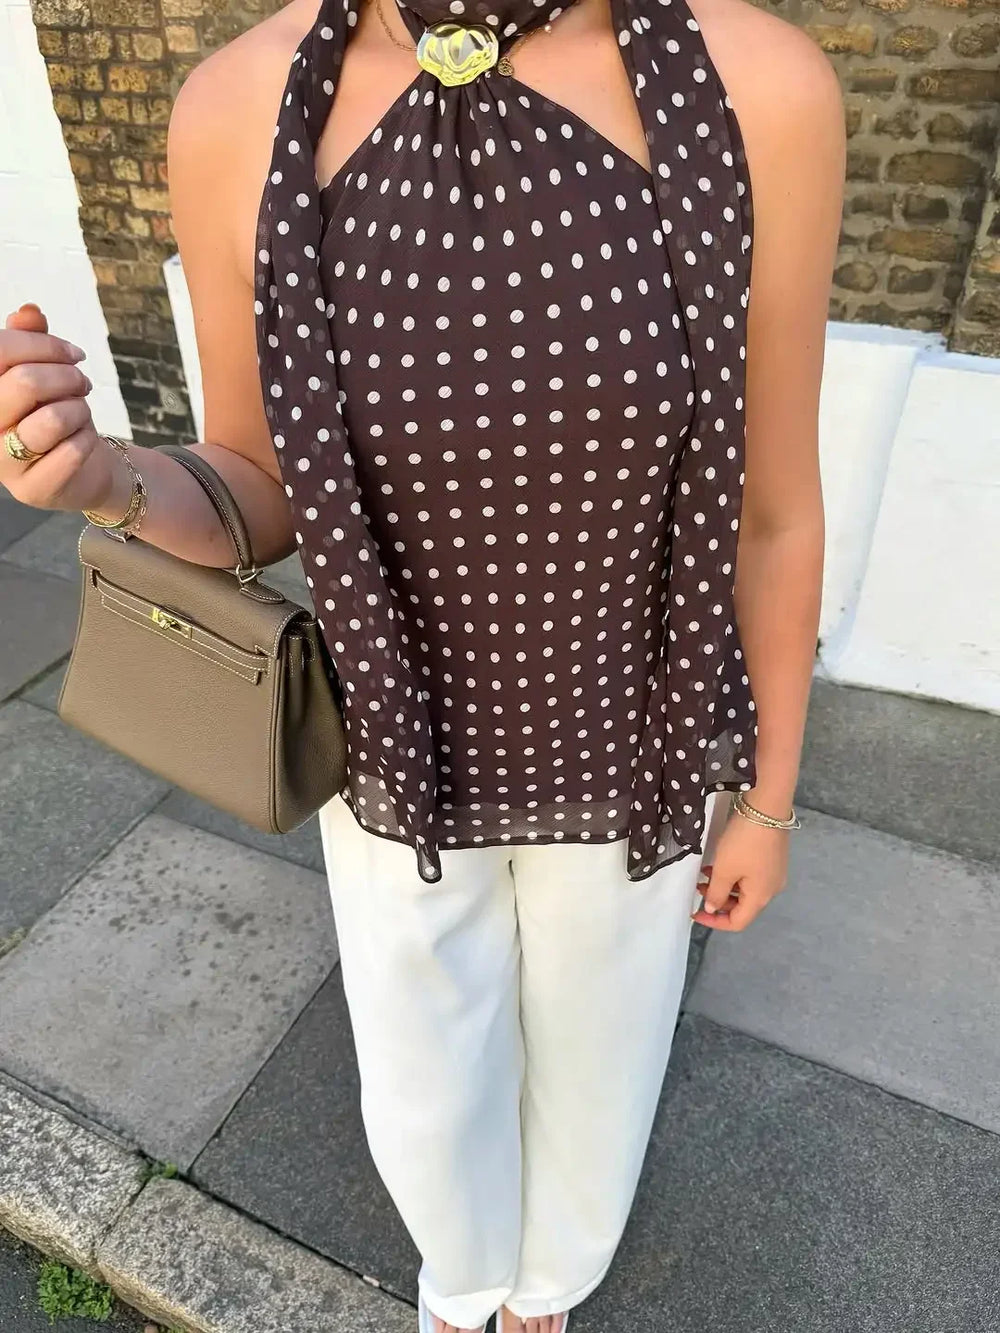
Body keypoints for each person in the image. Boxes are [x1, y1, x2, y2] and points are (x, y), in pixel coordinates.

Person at [0, 0, 844, 1323]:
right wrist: (108, 479)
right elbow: (256, 483)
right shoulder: (238, 106)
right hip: (388, 746)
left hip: (636, 740)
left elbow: (777, 505)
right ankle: (463, 1282)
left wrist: (771, 795)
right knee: (425, 1080)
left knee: (606, 1059)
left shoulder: (753, 87)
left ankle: (549, 1282)